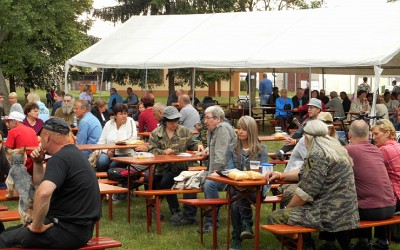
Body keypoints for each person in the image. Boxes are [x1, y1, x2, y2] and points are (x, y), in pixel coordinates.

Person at [0, 118, 101, 248]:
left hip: (66, 230)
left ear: (47, 137)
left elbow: (43, 193)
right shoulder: (74, 154)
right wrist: (38, 163)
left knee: (4, 239)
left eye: (41, 137)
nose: (39, 140)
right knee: (8, 232)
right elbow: (39, 184)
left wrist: (36, 226)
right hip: (80, 230)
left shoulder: (59, 159)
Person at [266, 120, 359, 249]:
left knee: (275, 217)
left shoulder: (317, 154)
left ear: (307, 137)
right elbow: (304, 172)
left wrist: (288, 209)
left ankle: (303, 247)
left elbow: (305, 193)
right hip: (350, 212)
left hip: (330, 215)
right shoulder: (336, 149)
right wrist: (281, 175)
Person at [148, 106, 204, 226]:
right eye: (171, 121)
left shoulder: (184, 131)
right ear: (164, 121)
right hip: (161, 168)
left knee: (165, 182)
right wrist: (163, 152)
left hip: (179, 167)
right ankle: (163, 209)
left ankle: (175, 211)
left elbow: (193, 143)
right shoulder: (156, 133)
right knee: (153, 180)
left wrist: (199, 145)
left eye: (176, 121)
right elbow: (151, 150)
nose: (174, 124)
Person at [346, 120, 396, 250]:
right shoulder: (376, 150)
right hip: (391, 206)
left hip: (372, 210)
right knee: (365, 195)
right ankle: (368, 242)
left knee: (342, 205)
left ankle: (340, 244)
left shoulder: (348, 150)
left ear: (349, 135)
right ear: (368, 135)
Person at [228, 116, 268, 250]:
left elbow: (264, 172)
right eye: (238, 128)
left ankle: (238, 236)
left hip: (256, 189)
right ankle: (245, 226)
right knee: (236, 198)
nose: (239, 131)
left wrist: (247, 180)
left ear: (251, 131)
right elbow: (230, 170)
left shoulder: (261, 149)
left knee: (237, 199)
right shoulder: (232, 148)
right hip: (237, 187)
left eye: (243, 129)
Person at [201, 105, 237, 233]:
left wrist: (212, 174)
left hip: (228, 172)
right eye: (205, 118)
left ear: (218, 119)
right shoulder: (213, 129)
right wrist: (206, 150)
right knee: (195, 178)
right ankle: (190, 215)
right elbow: (217, 148)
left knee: (209, 184)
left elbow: (221, 157)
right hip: (221, 170)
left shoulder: (222, 129)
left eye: (207, 118)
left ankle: (212, 222)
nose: (205, 121)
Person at [96, 104, 138, 172]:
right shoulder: (109, 124)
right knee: (101, 163)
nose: (124, 116)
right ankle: (102, 180)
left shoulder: (130, 121)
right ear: (115, 115)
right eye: (121, 114)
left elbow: (132, 138)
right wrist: (107, 151)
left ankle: (112, 179)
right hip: (108, 152)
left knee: (113, 166)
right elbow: (101, 142)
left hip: (125, 153)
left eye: (125, 113)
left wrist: (117, 146)